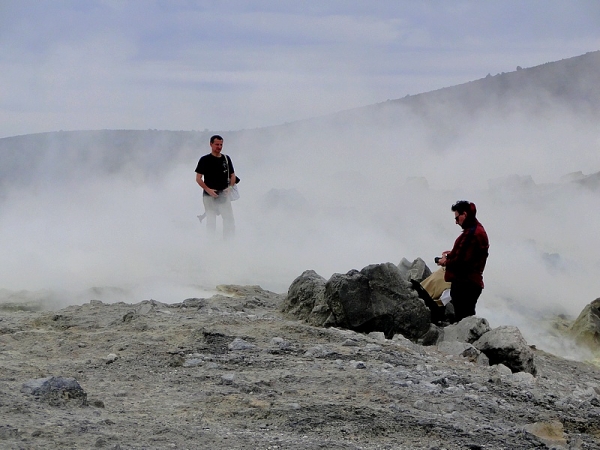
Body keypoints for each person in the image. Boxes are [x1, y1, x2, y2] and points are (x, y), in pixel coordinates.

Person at [437, 200, 489, 323]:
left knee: (463, 320)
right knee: (467, 319)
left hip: (465, 284)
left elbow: (461, 262)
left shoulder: (471, 234)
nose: (456, 222)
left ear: (464, 214)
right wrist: (451, 254)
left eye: (457, 218)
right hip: (471, 283)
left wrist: (444, 261)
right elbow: (466, 254)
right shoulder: (476, 229)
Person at [195, 135, 236, 239]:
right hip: (209, 196)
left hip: (224, 194)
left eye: (221, 144)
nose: (219, 147)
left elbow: (232, 175)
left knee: (229, 220)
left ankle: (228, 243)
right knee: (211, 221)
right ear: (211, 144)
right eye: (217, 144)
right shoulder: (204, 160)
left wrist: (230, 188)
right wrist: (208, 189)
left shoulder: (226, 159)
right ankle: (211, 244)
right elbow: (198, 178)